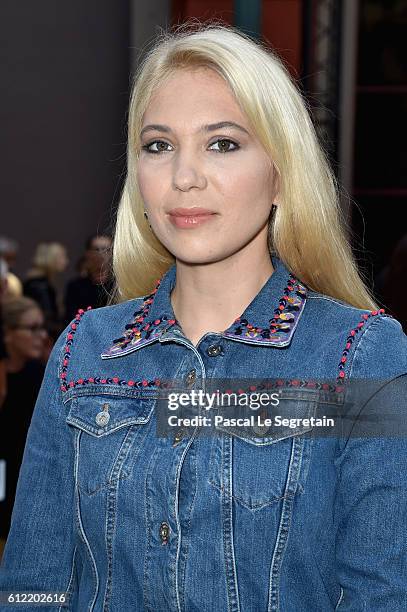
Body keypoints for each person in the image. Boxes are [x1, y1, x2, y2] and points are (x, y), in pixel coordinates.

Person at [1, 22, 407, 611]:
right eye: (158, 145)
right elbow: (33, 590)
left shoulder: (359, 358)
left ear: (281, 172)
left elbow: (381, 594)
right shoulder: (82, 354)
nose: (184, 177)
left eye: (222, 143)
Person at [0, 298, 46, 543]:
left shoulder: (42, 375)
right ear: (8, 334)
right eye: (32, 328)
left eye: (42, 327)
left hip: (26, 482)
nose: (42, 335)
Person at [23, 242, 69, 340]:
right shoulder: (41, 286)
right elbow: (48, 318)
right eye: (62, 257)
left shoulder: (37, 282)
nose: (66, 261)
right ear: (52, 259)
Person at [64, 234, 113, 322]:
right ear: (88, 254)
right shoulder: (75, 286)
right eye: (97, 249)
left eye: (106, 249)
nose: (101, 253)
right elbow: (71, 318)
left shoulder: (118, 285)